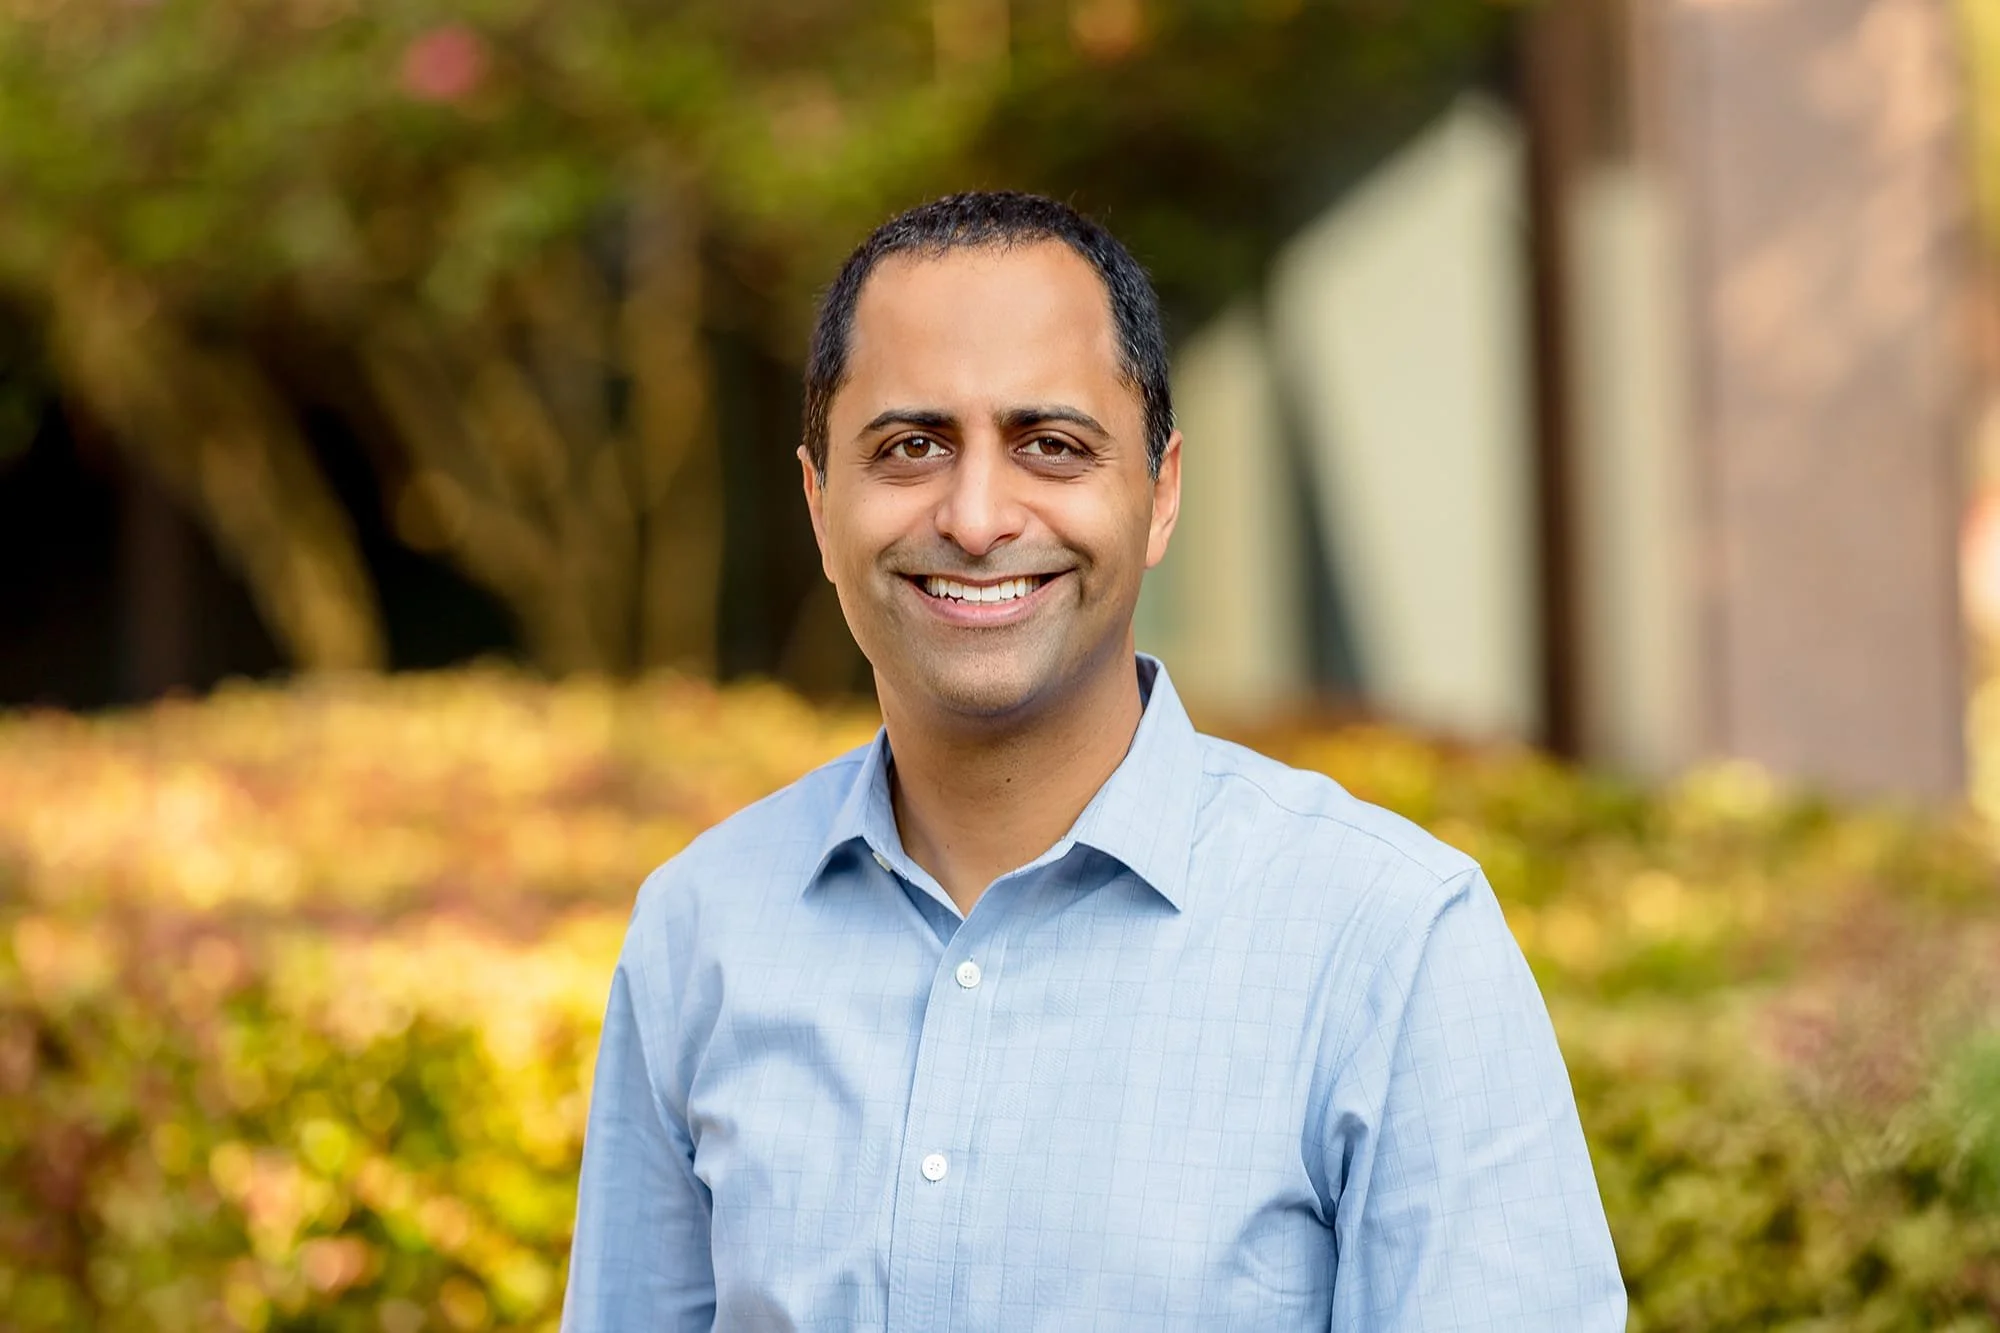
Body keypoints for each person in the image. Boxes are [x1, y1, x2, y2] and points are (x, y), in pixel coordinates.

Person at [562, 190, 1626, 1330]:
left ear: (1158, 494)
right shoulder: (701, 925)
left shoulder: (1389, 940)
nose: (975, 516)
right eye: (910, 446)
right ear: (821, 502)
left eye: (1051, 445)